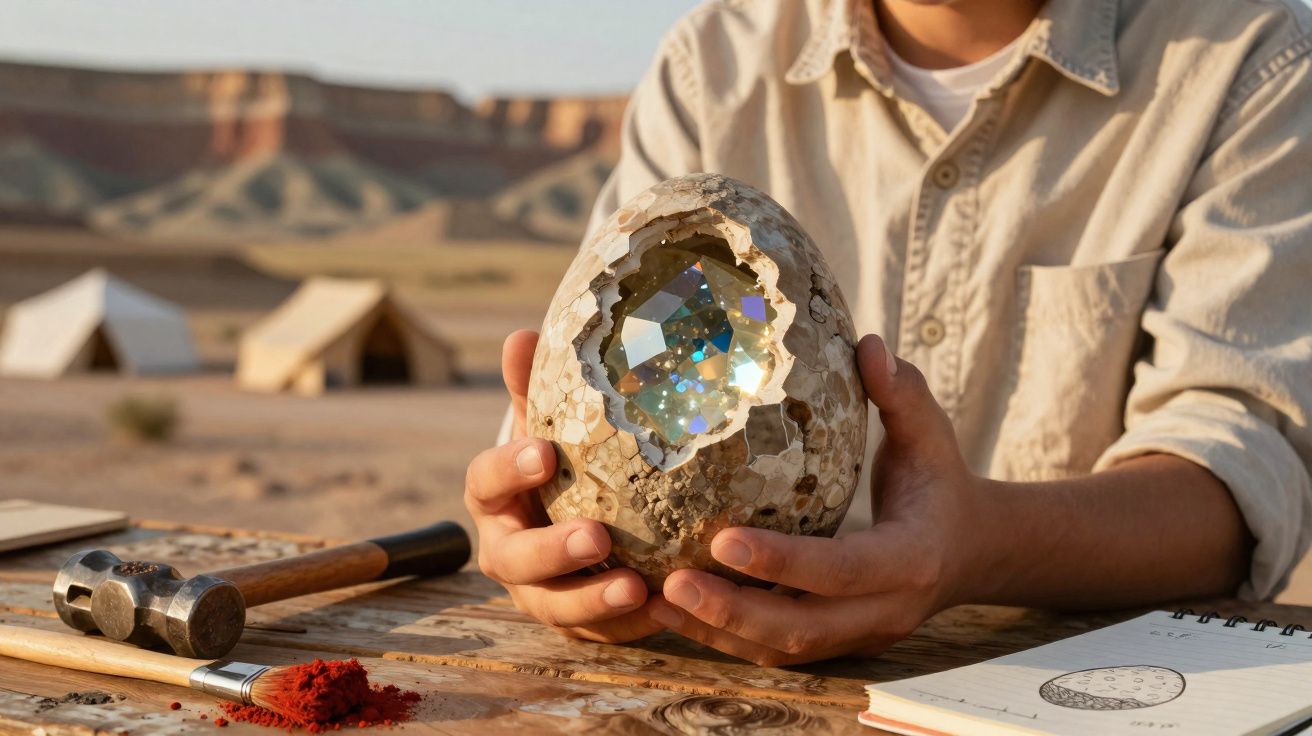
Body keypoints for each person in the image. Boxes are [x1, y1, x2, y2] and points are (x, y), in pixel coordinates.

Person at [464, 0, 1312, 665]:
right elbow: (594, 382)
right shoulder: (711, 67)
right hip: (710, 684)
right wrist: (540, 524)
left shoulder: (1246, 58)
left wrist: (974, 549)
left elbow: (1237, 482)